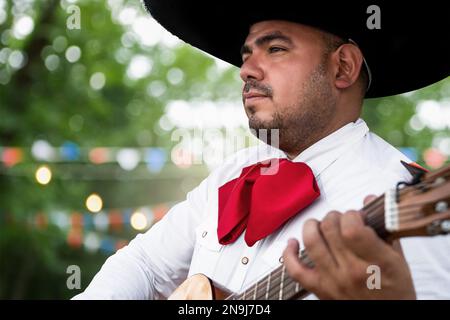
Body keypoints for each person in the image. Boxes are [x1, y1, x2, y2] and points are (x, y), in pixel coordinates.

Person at [73, 1, 450, 299]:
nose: (246, 70)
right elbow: (144, 265)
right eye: (246, 55)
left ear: (343, 67)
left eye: (274, 48)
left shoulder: (401, 196)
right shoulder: (231, 172)